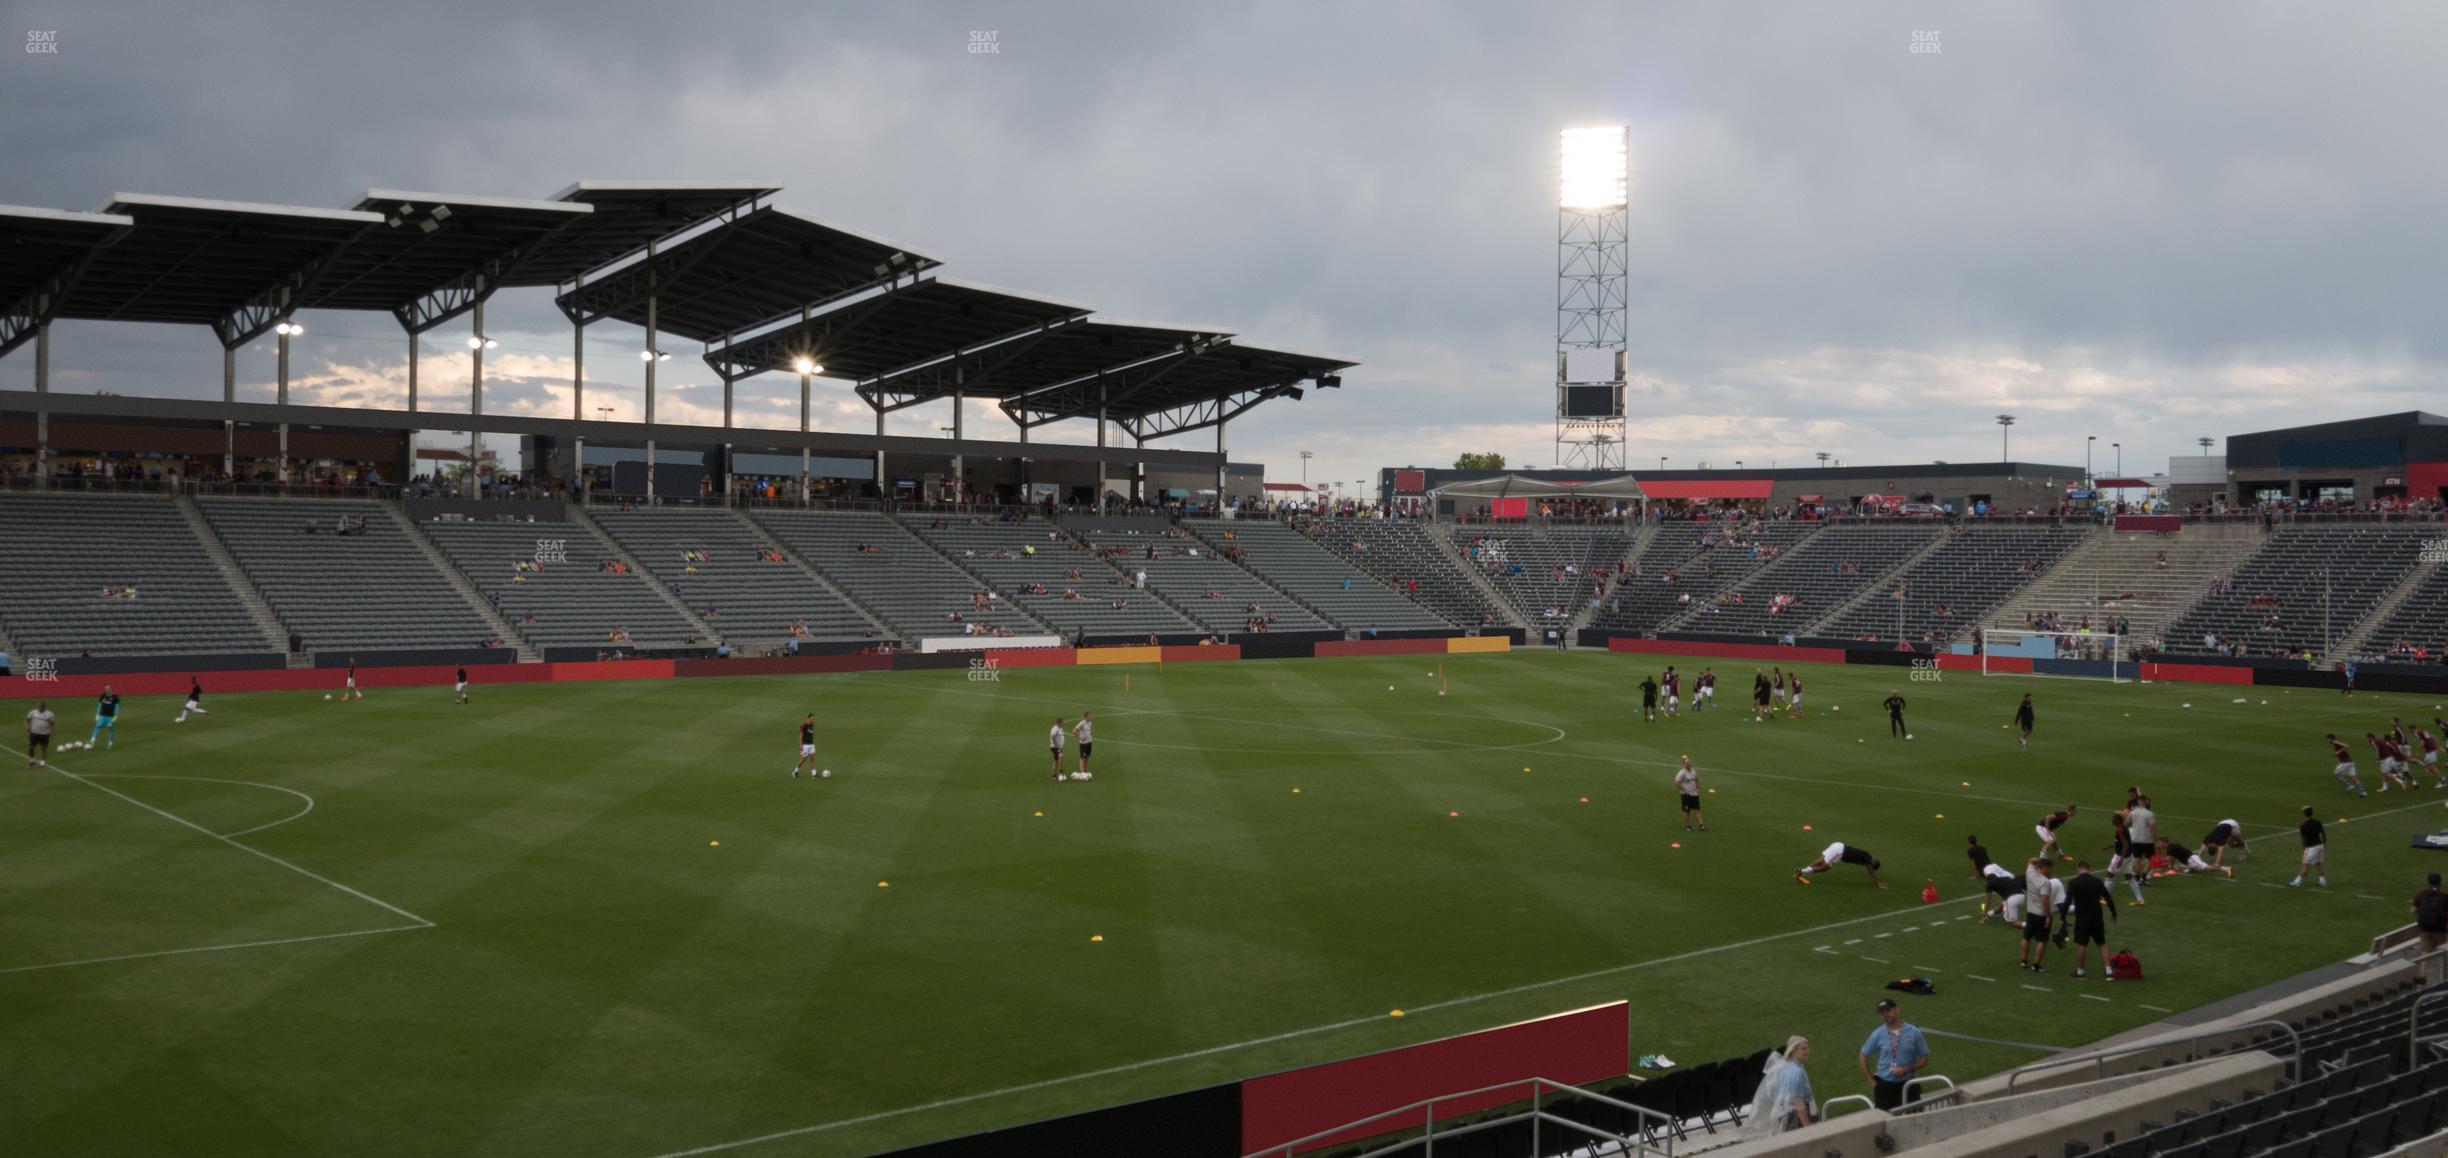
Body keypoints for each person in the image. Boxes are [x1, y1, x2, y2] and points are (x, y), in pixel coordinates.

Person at [1859, 999, 1931, 1110]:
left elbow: (1925, 1059)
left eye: (1888, 1010)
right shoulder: (1878, 1034)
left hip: (1908, 1084)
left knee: (1915, 1120)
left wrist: (1907, 1069)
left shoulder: (1913, 1032)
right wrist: (1869, 1079)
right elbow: (1863, 1055)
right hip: (1885, 1086)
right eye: (1882, 1013)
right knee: (1885, 1122)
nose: (1885, 1014)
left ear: (1897, 1009)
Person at [1742, 1036, 1817, 1137]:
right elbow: (1798, 1101)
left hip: (1784, 1115)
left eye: (1807, 1048)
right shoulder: (1796, 1072)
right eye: (1803, 1049)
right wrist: (1807, 1126)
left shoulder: (1785, 1067)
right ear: (1793, 1052)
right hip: (1795, 1117)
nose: (1807, 1051)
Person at [2063, 860, 2118, 978]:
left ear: (2077, 868)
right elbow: (2108, 898)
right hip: (2097, 917)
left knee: (2082, 944)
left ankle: (2080, 971)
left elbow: (2067, 901)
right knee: (2102, 943)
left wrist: (2063, 917)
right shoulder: (2097, 881)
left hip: (2082, 918)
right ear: (2089, 868)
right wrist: (2114, 914)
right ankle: (2108, 970)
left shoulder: (2073, 882)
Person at [2019, 858, 2066, 973]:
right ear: (2044, 867)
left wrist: (2039, 859)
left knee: (2026, 937)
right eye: (2049, 868)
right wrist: (2048, 916)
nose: (2050, 871)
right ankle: (2035, 965)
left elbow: (2030, 861)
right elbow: (2045, 900)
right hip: (2041, 914)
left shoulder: (2030, 873)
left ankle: (2023, 961)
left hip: (2030, 912)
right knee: (2042, 940)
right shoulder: (2045, 882)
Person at [1796, 840, 1883, 888]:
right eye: (1872, 866)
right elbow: (1870, 871)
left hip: (1838, 846)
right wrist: (1877, 883)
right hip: (1840, 852)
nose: (1869, 867)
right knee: (1824, 868)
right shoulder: (1868, 858)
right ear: (1873, 864)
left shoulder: (1866, 856)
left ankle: (1803, 871)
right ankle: (1802, 871)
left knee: (1821, 860)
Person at [2292, 806, 2327, 889]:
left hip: (2311, 847)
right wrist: (2324, 843)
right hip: (2320, 846)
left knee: (2305, 864)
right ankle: (2323, 881)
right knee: (2318, 863)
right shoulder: (2317, 822)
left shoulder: (2303, 826)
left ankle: (2297, 882)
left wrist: (2304, 848)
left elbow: (2303, 839)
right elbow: (2323, 833)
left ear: (2304, 814)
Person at [2415, 874, 2448, 956]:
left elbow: (2412, 910)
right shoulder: (2444, 896)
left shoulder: (2421, 894)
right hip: (2440, 928)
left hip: (2425, 928)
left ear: (2428, 883)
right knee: (2441, 952)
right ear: (2440, 883)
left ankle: (2424, 969)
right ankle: (2441, 968)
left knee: (2425, 952)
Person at [1675, 756, 1706, 832]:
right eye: (1687, 763)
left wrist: (1698, 787)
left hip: (1694, 794)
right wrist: (1684, 790)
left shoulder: (1693, 771)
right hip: (1686, 795)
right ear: (1684, 764)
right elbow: (1676, 782)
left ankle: (1701, 826)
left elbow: (1696, 778)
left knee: (1697, 810)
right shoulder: (1682, 773)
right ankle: (1687, 826)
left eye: (1689, 762)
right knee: (1687, 811)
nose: (1689, 764)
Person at [88, 685, 121, 750]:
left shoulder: (115, 697)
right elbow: (99, 705)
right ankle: (92, 741)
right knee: (97, 727)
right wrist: (97, 714)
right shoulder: (102, 696)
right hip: (102, 716)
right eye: (105, 689)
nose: (107, 690)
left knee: (110, 729)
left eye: (108, 689)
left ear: (110, 689)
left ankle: (110, 743)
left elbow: (117, 706)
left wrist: (116, 715)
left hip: (110, 717)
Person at [789, 713, 820, 779]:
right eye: (812, 718)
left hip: (811, 745)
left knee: (812, 759)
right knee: (803, 759)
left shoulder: (812, 725)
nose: (813, 719)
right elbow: (801, 735)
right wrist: (800, 745)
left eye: (814, 718)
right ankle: (795, 771)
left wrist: (813, 743)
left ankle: (814, 774)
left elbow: (812, 734)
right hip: (805, 745)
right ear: (808, 718)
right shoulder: (804, 725)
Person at [25, 700, 55, 768]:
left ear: (44, 707)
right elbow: (27, 720)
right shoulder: (32, 712)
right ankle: (31, 761)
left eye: (41, 706)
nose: (39, 707)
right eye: (38, 706)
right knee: (31, 747)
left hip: (45, 734)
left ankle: (42, 764)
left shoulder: (50, 714)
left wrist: (52, 733)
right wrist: (27, 727)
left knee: (43, 748)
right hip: (33, 733)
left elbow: (52, 724)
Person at [1072, 712, 1095, 779]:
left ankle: (1085, 770)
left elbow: (1092, 728)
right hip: (1083, 743)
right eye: (1090, 716)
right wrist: (1080, 738)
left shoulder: (1090, 723)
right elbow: (1073, 731)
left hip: (1089, 742)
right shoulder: (1082, 723)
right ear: (1085, 717)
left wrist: (1091, 732)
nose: (1091, 717)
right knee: (1082, 757)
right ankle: (1082, 772)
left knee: (1087, 756)